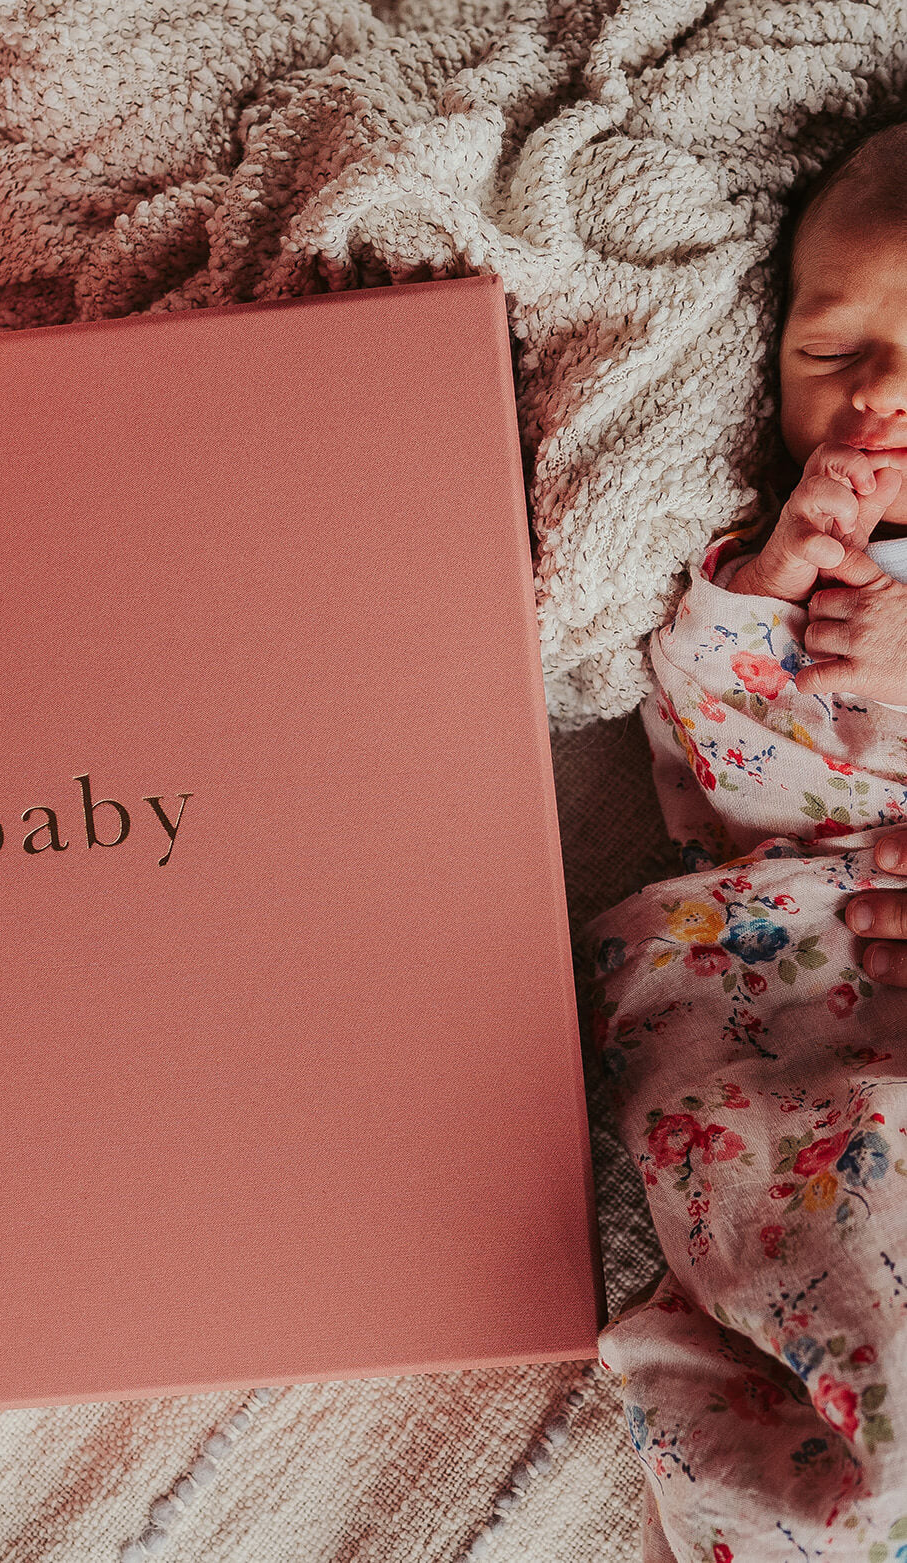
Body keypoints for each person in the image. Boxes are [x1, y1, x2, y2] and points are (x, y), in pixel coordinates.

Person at [590, 114, 907, 1561]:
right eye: (825, 350)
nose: (876, 395)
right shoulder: (796, 560)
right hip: (781, 1008)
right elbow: (724, 775)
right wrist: (766, 592)